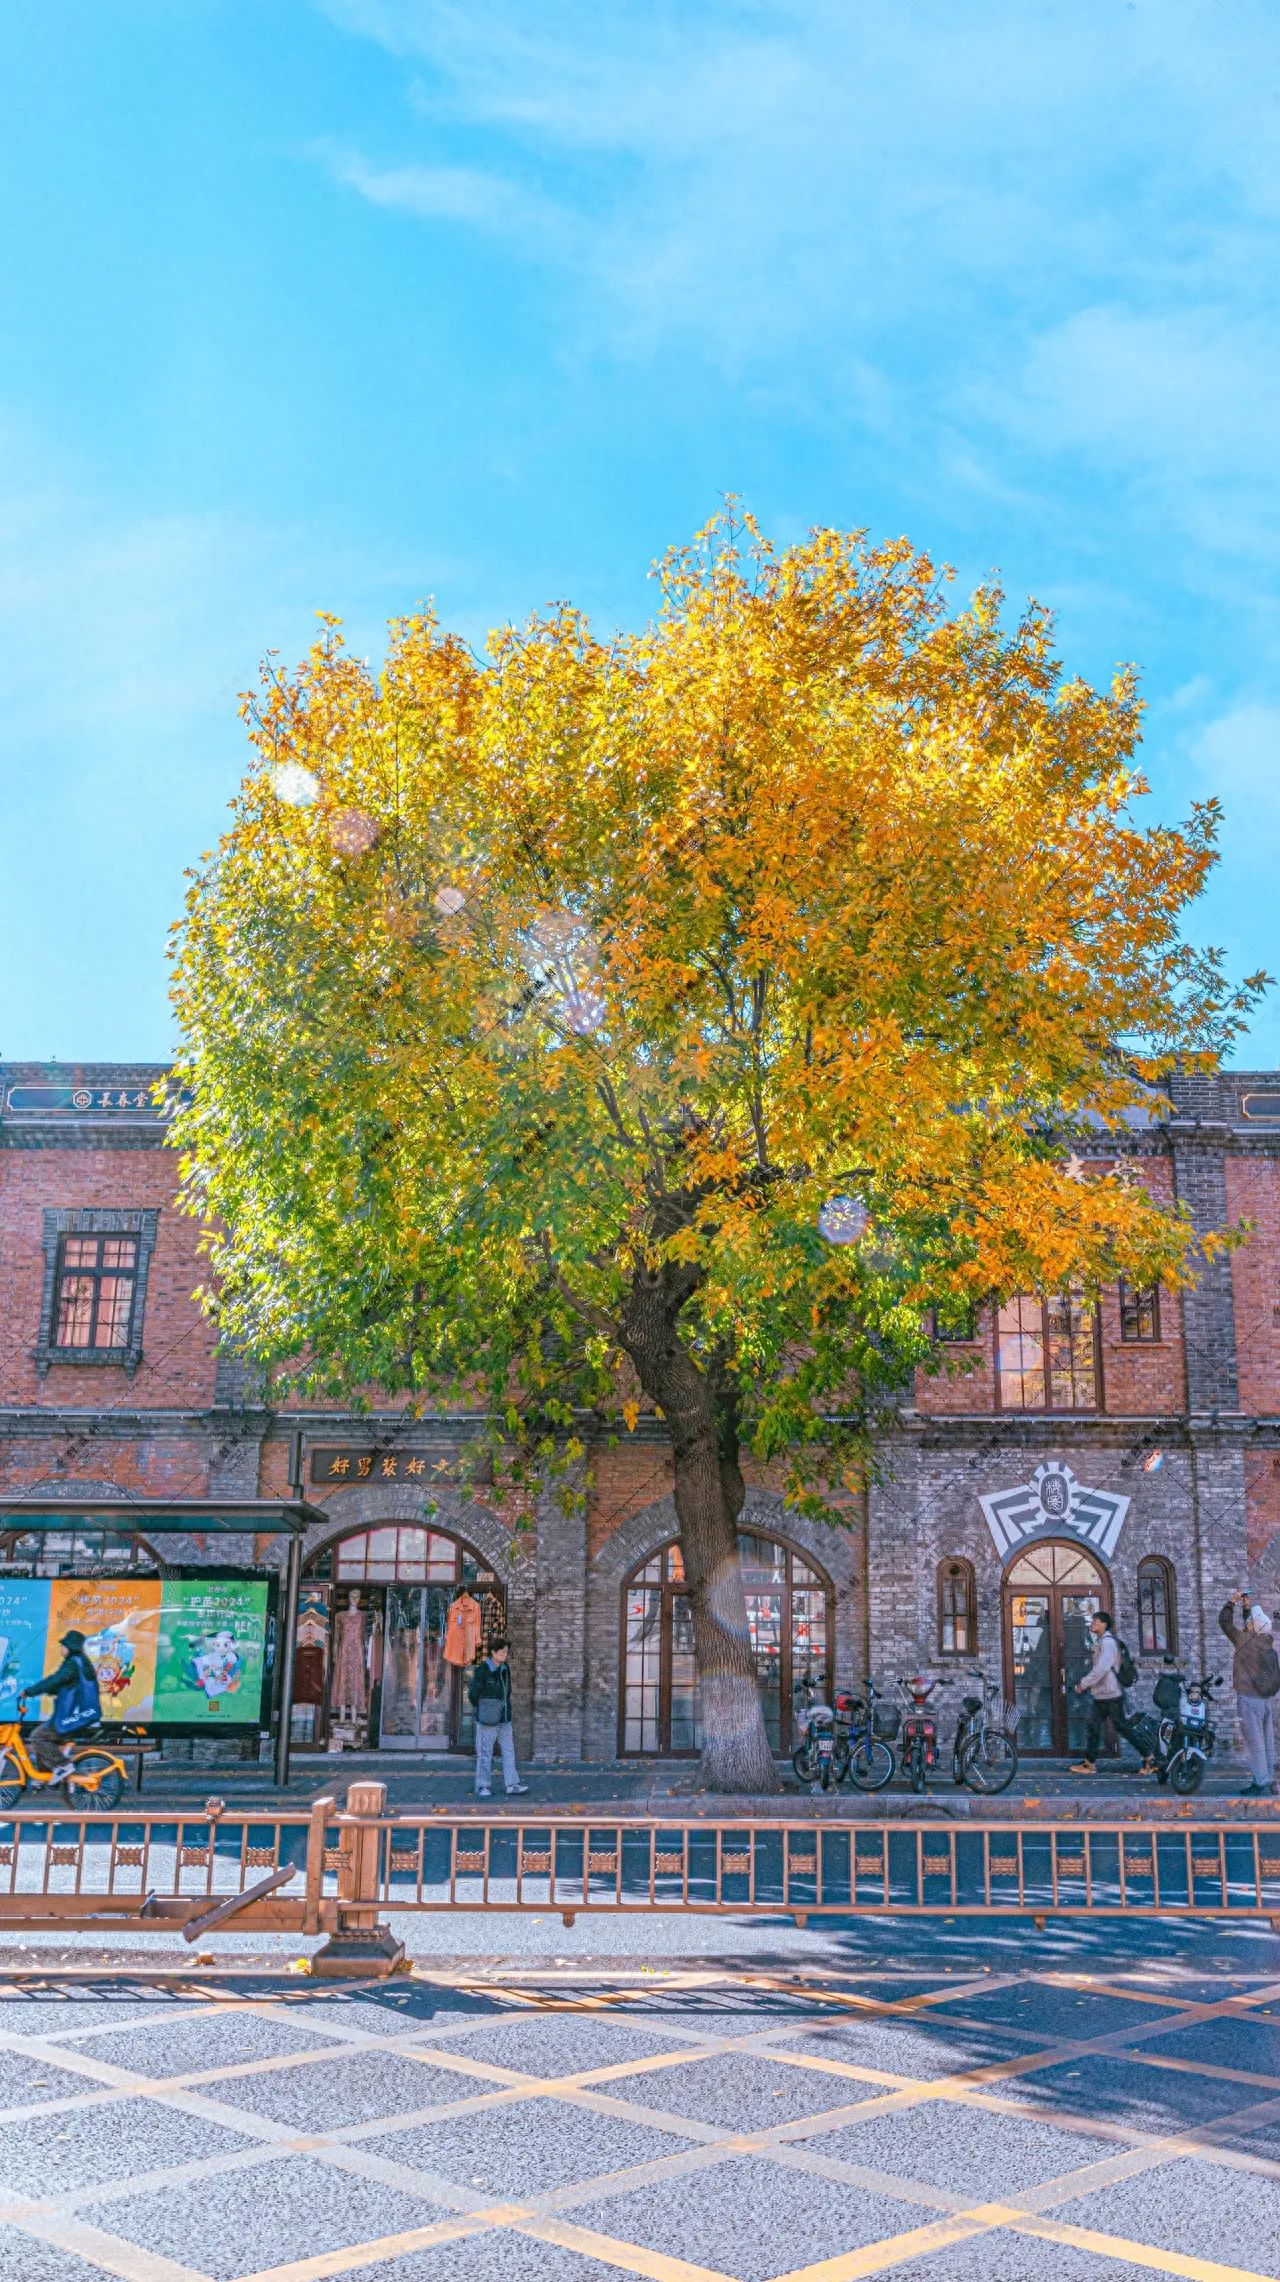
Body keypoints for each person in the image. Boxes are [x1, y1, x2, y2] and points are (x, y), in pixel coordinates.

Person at [1070, 1612, 1155, 1776]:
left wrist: (1083, 1683)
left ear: (1103, 1625)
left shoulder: (1108, 1643)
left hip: (1111, 1694)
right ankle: (1090, 1763)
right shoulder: (1101, 1642)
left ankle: (1148, 1757)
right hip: (1102, 1694)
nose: (1092, 1623)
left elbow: (1101, 1668)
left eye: (1095, 1621)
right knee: (1095, 1727)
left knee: (1121, 1727)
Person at [1219, 1591, 1280, 1799]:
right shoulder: (1264, 1642)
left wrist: (1232, 1601)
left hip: (1249, 1698)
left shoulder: (1244, 1641)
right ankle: (1270, 1779)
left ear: (1253, 1626)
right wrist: (1247, 1607)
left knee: (1254, 1742)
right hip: (1265, 1699)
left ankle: (1260, 1781)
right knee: (1266, 1741)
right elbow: (1249, 1625)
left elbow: (1225, 1624)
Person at [23, 1630, 98, 1775]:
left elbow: (55, 1681)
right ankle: (45, 1776)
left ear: (70, 1647)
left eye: (63, 1646)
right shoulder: (78, 1662)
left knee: (37, 1736)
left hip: (75, 1716)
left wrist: (30, 1691)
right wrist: (49, 1690)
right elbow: (64, 1685)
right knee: (43, 1735)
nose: (61, 1649)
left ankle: (63, 1766)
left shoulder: (73, 1664)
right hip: (79, 1714)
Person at [467, 1637, 529, 1799]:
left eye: (506, 1652)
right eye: (502, 1652)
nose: (504, 1655)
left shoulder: (505, 1668)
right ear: (493, 1652)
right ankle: (482, 1786)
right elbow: (473, 1694)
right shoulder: (482, 1670)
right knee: (485, 1754)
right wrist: (485, 1709)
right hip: (487, 1719)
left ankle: (512, 1784)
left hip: (504, 1718)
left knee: (509, 1751)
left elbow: (507, 1691)